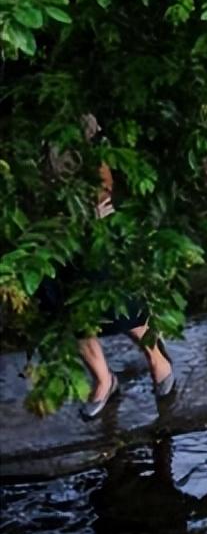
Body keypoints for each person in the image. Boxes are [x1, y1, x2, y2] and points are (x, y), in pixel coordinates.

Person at [41, 113, 175, 419]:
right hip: (46, 233)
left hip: (91, 225)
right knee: (68, 310)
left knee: (118, 302)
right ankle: (104, 380)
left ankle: (158, 359)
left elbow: (104, 185)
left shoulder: (80, 121)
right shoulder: (25, 120)